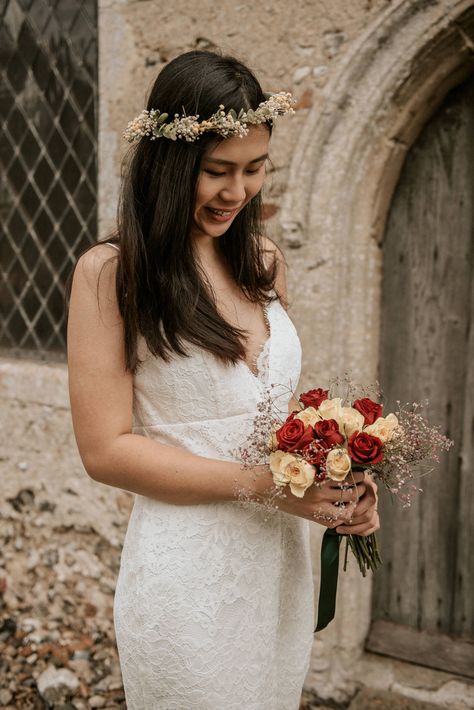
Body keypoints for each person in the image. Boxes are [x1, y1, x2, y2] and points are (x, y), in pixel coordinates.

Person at [66, 49, 379, 710]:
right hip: (188, 573)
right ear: (171, 164)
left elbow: (275, 420)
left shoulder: (263, 261)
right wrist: (263, 487)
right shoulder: (111, 273)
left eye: (255, 168)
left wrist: (338, 479)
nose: (238, 192)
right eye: (217, 171)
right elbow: (105, 450)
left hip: (277, 562)